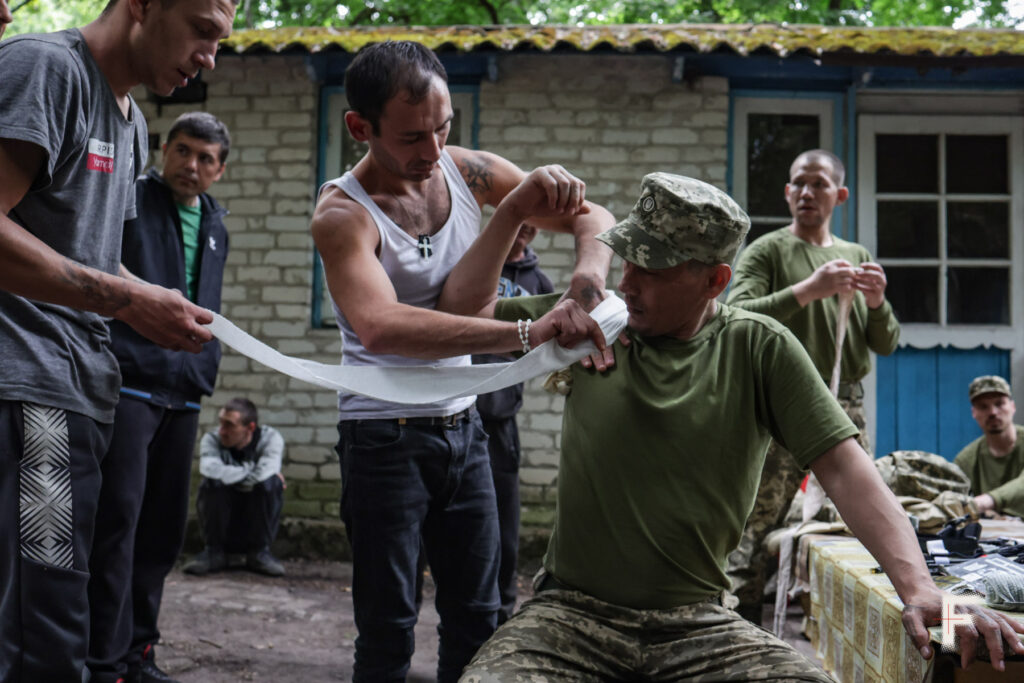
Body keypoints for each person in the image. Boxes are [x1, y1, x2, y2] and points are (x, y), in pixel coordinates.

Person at [460, 173, 1024, 682]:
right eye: (626, 261)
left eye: (651, 269)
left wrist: (924, 593)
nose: (627, 282)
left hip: (698, 626)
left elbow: (848, 472)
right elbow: (462, 307)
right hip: (570, 617)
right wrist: (511, 212)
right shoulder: (591, 323)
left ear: (714, 280)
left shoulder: (758, 346)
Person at [311, 40, 614, 683]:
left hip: (464, 428)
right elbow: (382, 326)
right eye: (413, 137)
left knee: (480, 618)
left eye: (444, 128)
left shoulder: (465, 169)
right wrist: (530, 332)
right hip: (382, 438)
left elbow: (598, 217)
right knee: (388, 630)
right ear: (359, 128)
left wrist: (584, 289)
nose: (432, 151)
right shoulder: (343, 215)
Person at [0, 1, 238, 681]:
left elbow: (94, 258)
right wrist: (129, 297)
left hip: (81, 390)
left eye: (219, 42)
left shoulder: (131, 121)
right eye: (201, 31)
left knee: (64, 595)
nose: (208, 57)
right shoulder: (45, 70)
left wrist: (146, 306)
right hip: (28, 386)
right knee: (41, 623)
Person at [87, 111, 232, 683]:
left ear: (219, 170)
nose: (190, 166)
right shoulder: (132, 200)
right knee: (117, 524)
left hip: (186, 393)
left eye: (204, 158)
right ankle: (102, 661)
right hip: (131, 385)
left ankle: (138, 653)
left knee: (163, 531)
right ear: (163, 149)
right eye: (182, 151)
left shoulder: (218, 224)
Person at [724, 148, 900, 619]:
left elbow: (885, 343)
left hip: (845, 408)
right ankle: (741, 627)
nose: (807, 192)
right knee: (756, 524)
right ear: (787, 192)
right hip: (780, 409)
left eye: (819, 183)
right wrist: (809, 289)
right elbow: (734, 316)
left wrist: (879, 302)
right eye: (799, 182)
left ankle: (847, 628)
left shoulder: (856, 256)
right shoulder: (767, 251)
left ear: (839, 194)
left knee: (855, 521)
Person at [472, 223, 554, 624]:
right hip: (457, 410)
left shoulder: (538, 282)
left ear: (535, 231)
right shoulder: (477, 267)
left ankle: (502, 616)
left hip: (502, 420)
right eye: (513, 223)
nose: (519, 232)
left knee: (505, 524)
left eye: (528, 226)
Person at [183, 397, 286, 578]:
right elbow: (209, 469)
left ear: (250, 428)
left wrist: (229, 476)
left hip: (254, 516)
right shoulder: (212, 439)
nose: (222, 431)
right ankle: (214, 552)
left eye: (229, 425)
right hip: (223, 517)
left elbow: (264, 476)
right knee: (210, 482)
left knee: (271, 483)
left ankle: (259, 553)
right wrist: (253, 472)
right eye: (221, 423)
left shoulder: (270, 438)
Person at [955, 375, 1024, 518]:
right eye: (983, 407)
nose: (992, 412)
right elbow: (954, 499)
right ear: (974, 413)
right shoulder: (967, 459)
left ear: (1012, 406)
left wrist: (988, 500)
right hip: (997, 535)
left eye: (999, 404)